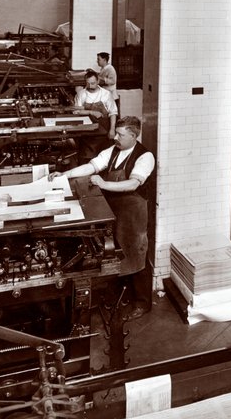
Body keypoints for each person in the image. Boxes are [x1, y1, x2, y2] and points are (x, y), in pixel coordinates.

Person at [52, 117, 155, 321]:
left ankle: (142, 303)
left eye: (121, 134)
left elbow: (133, 184)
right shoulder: (113, 150)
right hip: (114, 211)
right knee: (114, 253)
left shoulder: (145, 156)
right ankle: (118, 296)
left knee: (136, 253)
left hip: (133, 214)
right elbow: (91, 167)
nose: (115, 137)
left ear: (134, 136)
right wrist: (63, 175)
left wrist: (103, 184)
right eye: (116, 133)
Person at [73, 70, 117, 160]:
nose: (90, 86)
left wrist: (112, 130)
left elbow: (113, 113)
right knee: (86, 157)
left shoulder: (106, 94)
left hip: (104, 130)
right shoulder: (81, 94)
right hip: (87, 132)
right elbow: (76, 111)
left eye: (93, 83)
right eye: (88, 83)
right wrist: (91, 112)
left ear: (98, 81)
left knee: (105, 158)